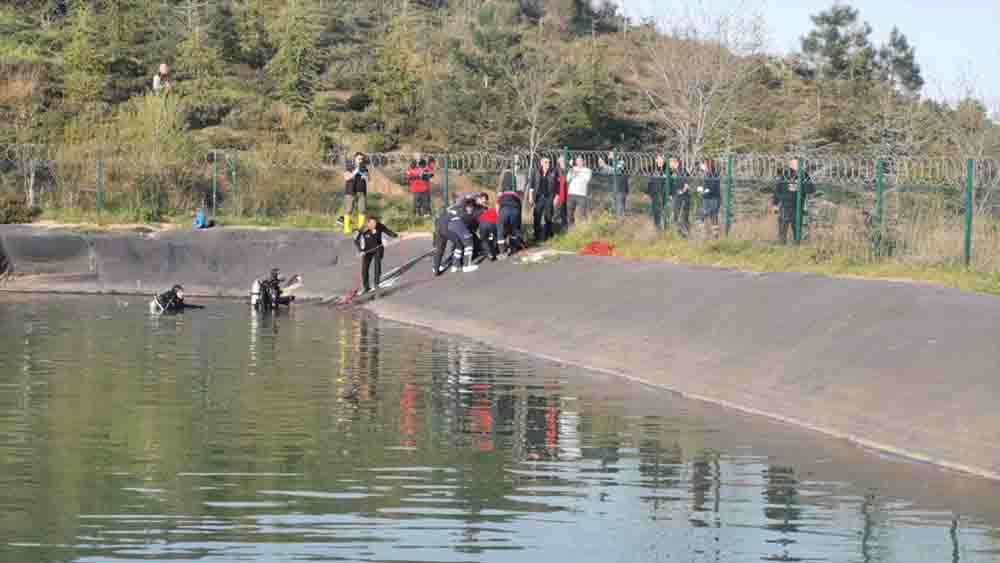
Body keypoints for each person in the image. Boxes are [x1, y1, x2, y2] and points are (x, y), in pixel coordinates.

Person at [773, 159, 816, 244]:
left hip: (797, 206)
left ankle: (797, 245)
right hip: (785, 205)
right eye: (794, 164)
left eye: (798, 165)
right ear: (791, 165)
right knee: (782, 228)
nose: (797, 167)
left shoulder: (804, 176)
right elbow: (778, 190)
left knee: (797, 229)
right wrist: (775, 204)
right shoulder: (785, 175)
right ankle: (781, 245)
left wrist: (804, 180)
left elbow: (811, 190)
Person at [354, 216, 398, 293]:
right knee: (364, 269)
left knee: (377, 266)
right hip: (367, 250)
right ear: (368, 223)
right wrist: (360, 250)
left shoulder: (379, 226)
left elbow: (388, 231)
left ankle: (376, 284)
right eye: (372, 223)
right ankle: (366, 287)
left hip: (378, 248)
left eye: (375, 223)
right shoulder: (363, 228)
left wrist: (396, 236)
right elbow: (356, 240)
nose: (374, 225)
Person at [529, 157, 560, 243]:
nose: (548, 164)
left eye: (549, 162)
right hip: (538, 197)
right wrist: (530, 196)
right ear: (541, 163)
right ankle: (536, 236)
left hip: (549, 197)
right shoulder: (536, 171)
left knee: (548, 216)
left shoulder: (554, 172)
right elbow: (532, 184)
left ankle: (549, 235)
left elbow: (558, 185)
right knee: (537, 216)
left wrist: (556, 197)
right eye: (546, 162)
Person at [343, 152, 368, 232]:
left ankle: (360, 228)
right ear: (355, 159)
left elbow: (369, 179)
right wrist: (355, 171)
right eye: (359, 159)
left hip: (361, 192)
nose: (361, 160)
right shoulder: (349, 167)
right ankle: (346, 228)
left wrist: (366, 176)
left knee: (362, 210)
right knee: (348, 210)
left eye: (362, 159)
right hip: (351, 191)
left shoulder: (364, 168)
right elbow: (347, 178)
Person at [697, 159, 722, 238]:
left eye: (703, 164)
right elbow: (705, 185)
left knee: (710, 215)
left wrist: (704, 191)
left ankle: (712, 234)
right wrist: (701, 189)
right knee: (712, 216)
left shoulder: (714, 174)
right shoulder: (705, 174)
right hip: (707, 198)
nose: (701, 166)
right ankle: (711, 234)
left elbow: (712, 187)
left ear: (708, 165)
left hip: (714, 198)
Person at [599, 151, 629, 217]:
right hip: (614, 187)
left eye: (611, 154)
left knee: (620, 206)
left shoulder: (621, 162)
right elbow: (605, 172)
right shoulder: (612, 163)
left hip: (621, 188)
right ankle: (618, 219)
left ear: (617, 156)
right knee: (615, 205)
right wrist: (602, 166)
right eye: (609, 154)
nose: (609, 155)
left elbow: (616, 171)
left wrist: (604, 165)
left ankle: (621, 220)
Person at [566, 156, 593, 227]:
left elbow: (587, 179)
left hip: (581, 194)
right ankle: (571, 227)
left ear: (583, 162)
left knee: (582, 212)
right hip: (571, 193)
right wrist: (572, 173)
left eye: (580, 161)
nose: (579, 162)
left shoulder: (587, 170)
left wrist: (577, 173)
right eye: (577, 161)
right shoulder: (572, 169)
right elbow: (568, 179)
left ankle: (584, 228)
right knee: (570, 212)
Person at [497, 188, 523, 257]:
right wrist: (518, 225)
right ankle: (513, 249)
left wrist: (499, 217)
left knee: (500, 231)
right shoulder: (517, 197)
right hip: (515, 211)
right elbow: (520, 211)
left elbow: (497, 206)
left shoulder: (502, 195)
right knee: (514, 231)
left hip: (504, 210)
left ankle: (502, 252)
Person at [669, 157, 692, 237]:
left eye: (671, 162)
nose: (669, 164)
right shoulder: (674, 172)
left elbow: (687, 183)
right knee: (676, 215)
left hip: (683, 197)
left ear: (676, 162)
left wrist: (682, 191)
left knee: (683, 216)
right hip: (677, 197)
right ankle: (681, 233)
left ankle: (686, 233)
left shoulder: (683, 171)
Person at [646, 153, 669, 230]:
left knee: (664, 208)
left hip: (664, 192)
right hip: (654, 192)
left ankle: (665, 225)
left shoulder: (667, 168)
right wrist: (648, 192)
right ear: (656, 160)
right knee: (656, 209)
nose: (661, 160)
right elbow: (649, 181)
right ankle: (657, 225)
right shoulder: (651, 168)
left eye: (662, 158)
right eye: (659, 159)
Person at [555, 156, 570, 231]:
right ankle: (562, 226)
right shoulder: (557, 170)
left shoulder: (568, 169)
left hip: (568, 192)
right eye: (561, 161)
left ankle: (567, 226)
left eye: (563, 161)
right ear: (558, 162)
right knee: (560, 210)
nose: (562, 162)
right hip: (560, 193)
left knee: (568, 210)